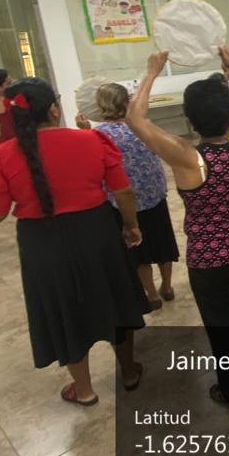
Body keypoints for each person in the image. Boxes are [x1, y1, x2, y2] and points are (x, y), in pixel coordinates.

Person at [0, 77, 148, 406]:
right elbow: (123, 191)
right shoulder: (93, 140)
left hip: (41, 244)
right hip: (97, 233)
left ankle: (84, 390)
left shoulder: (1, 156)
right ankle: (130, 371)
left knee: (65, 310)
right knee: (114, 299)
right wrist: (130, 225)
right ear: (53, 110)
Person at [126, 48, 229, 408]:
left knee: (221, 330)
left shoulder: (185, 156)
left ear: (190, 119)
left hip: (207, 262)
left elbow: (135, 118)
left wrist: (152, 70)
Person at [77, 83, 180, 311]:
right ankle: (167, 286)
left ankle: (151, 295)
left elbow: (90, 162)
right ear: (126, 102)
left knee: (137, 250)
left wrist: (84, 131)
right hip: (154, 194)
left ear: (100, 106)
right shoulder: (142, 126)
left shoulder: (99, 135)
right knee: (162, 242)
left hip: (123, 202)